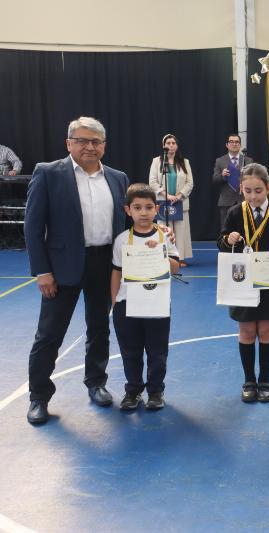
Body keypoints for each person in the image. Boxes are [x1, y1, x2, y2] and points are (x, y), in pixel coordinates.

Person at [24, 116, 129, 424]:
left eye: (96, 141)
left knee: (99, 328)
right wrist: (42, 271)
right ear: (69, 143)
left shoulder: (118, 178)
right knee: (49, 334)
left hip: (104, 264)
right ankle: (39, 397)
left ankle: (96, 382)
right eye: (82, 140)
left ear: (104, 146)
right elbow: (32, 227)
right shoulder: (48, 173)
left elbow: (126, 223)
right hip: (61, 268)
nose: (89, 146)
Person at [217, 163, 269, 403]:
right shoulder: (235, 212)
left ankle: (265, 380)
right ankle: (249, 380)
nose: (253, 196)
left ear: (268, 188)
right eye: (248, 191)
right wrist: (229, 239)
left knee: (266, 330)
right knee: (247, 331)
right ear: (241, 188)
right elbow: (221, 242)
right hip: (241, 280)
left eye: (258, 191)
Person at [111, 184, 180, 410]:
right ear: (128, 210)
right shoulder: (122, 240)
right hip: (127, 304)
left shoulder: (164, 236)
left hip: (156, 304)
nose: (143, 212)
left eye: (149, 207)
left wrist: (159, 251)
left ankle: (155, 391)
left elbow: (176, 267)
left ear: (156, 209)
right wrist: (115, 302)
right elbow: (116, 272)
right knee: (130, 351)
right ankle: (133, 391)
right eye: (137, 207)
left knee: (157, 351)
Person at [149, 134, 193, 266]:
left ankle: (180, 258)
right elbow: (152, 182)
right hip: (163, 202)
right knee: (165, 230)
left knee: (180, 231)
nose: (171, 145)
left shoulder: (185, 162)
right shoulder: (157, 161)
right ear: (164, 146)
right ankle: (166, 258)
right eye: (168, 143)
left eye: (173, 143)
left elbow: (189, 183)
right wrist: (166, 195)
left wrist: (179, 196)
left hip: (180, 202)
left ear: (177, 146)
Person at [212, 134, 253, 231]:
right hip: (226, 201)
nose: (234, 144)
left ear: (240, 145)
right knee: (226, 230)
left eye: (237, 142)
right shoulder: (220, 161)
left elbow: (253, 179)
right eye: (231, 142)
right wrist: (222, 175)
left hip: (243, 200)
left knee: (245, 229)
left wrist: (246, 179)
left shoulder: (248, 160)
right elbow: (214, 180)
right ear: (227, 145)